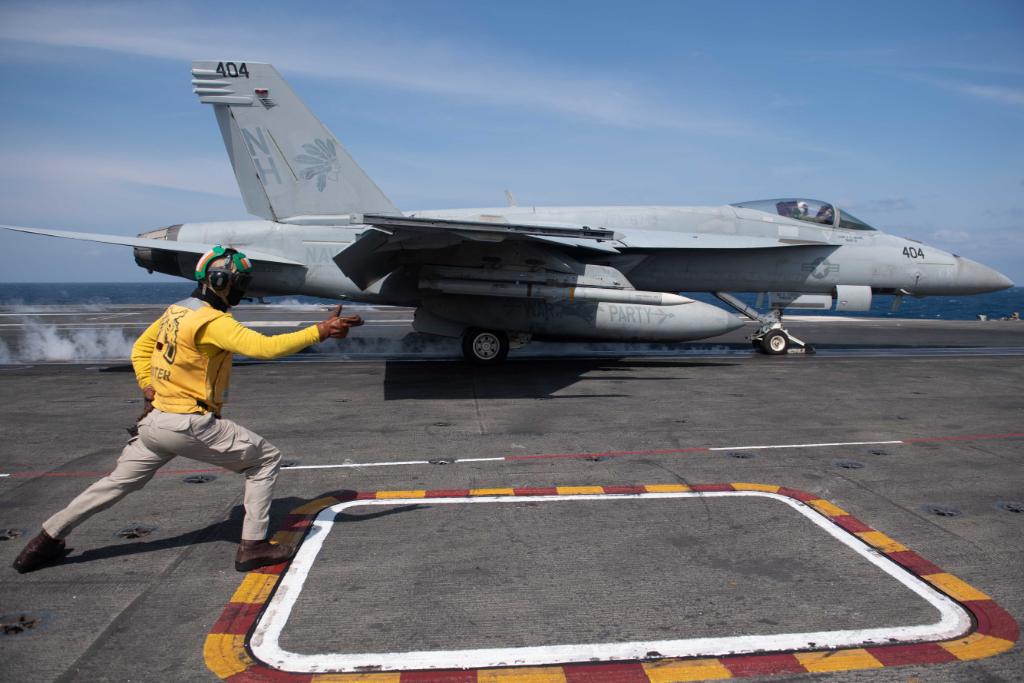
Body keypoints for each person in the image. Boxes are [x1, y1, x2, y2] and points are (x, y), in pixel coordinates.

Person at [13, 246, 363, 573]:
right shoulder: (213, 322)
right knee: (265, 459)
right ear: (221, 282)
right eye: (240, 283)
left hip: (155, 425)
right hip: (188, 423)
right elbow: (265, 348)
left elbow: (141, 349)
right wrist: (320, 331)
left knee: (113, 485)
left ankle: (43, 542)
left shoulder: (177, 312)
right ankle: (253, 546)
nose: (243, 290)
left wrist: (148, 388)